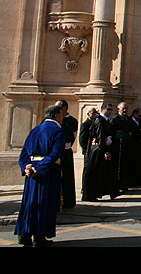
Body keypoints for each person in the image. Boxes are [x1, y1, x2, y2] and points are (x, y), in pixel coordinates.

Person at [14, 104, 66, 247]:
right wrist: (40, 169)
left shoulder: (35, 130)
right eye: (62, 115)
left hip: (31, 174)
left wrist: (26, 167)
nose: (62, 118)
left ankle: (24, 235)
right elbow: (55, 154)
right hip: (47, 173)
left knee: (29, 203)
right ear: (56, 115)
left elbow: (24, 152)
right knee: (44, 204)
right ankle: (39, 237)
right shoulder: (58, 131)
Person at [82, 102, 117, 201]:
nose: (110, 112)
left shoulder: (105, 120)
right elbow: (100, 136)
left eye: (111, 110)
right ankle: (91, 195)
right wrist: (105, 151)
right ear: (102, 110)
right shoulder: (100, 121)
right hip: (98, 150)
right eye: (108, 109)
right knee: (95, 173)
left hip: (100, 149)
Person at [55, 99, 78, 209]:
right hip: (55, 152)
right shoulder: (53, 120)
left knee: (68, 177)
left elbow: (74, 136)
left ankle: (68, 201)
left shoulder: (73, 121)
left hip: (66, 150)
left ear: (64, 108)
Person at [110, 101, 134, 194]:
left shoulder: (128, 119)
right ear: (118, 109)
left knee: (125, 165)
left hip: (126, 145)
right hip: (117, 145)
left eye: (126, 108)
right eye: (123, 108)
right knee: (118, 165)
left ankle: (123, 184)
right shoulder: (114, 119)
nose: (125, 110)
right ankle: (117, 185)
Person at [128, 107, 141, 186]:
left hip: (139, 145)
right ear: (134, 114)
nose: (140, 117)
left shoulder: (140, 122)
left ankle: (139, 180)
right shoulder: (129, 121)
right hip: (132, 146)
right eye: (139, 115)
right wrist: (138, 131)